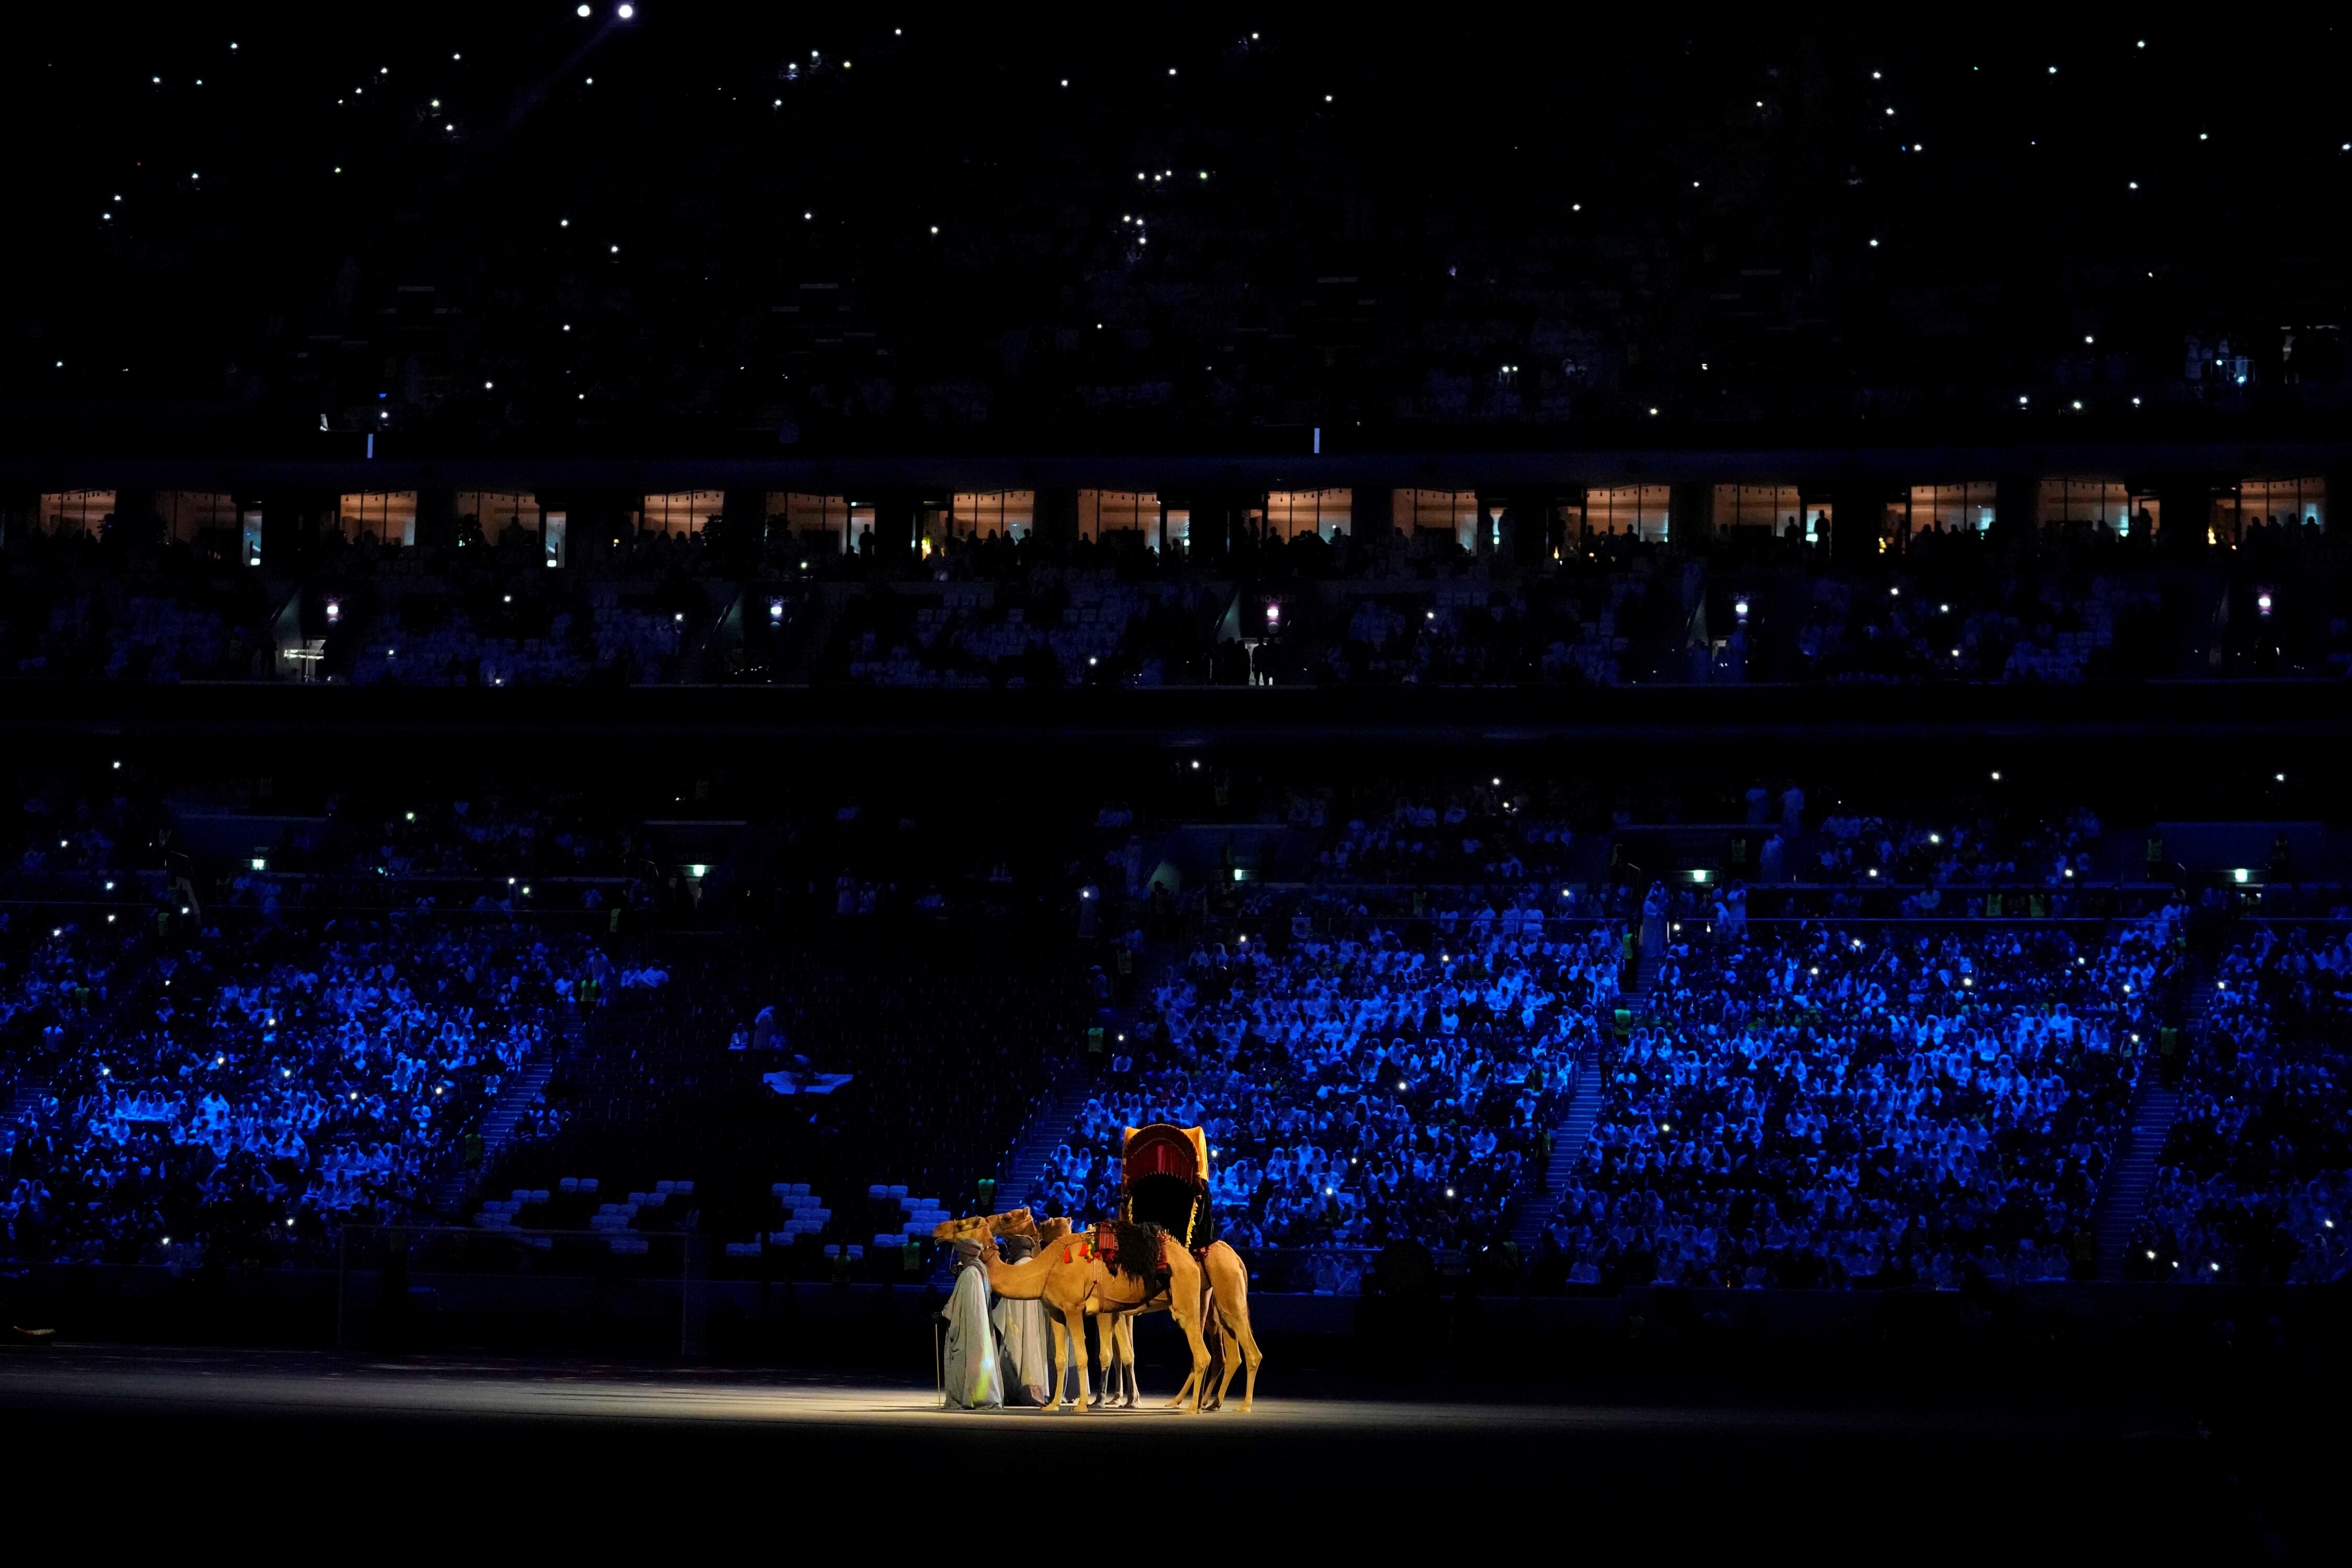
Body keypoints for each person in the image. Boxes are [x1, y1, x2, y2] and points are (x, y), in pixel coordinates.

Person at [988, 1232, 1055, 1405]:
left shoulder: (1017, 1269)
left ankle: (1020, 1393)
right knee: (1035, 1354)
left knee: (1016, 1354)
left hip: (1019, 1325)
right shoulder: (1037, 1268)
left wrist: (992, 1313)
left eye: (1011, 1248)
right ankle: (1037, 1393)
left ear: (1017, 1249)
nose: (1009, 1253)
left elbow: (1007, 1303)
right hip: (1037, 1328)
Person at [939, 1236, 1002, 1409]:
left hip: (971, 1330)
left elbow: (963, 1304)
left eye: (960, 1252)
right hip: (976, 1328)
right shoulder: (978, 1270)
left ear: (966, 1254)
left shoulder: (971, 1274)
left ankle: (973, 1397)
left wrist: (945, 1313)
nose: (958, 1256)